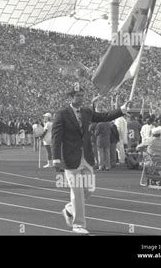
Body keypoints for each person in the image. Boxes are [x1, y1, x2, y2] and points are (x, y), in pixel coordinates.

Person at [52, 85, 129, 234]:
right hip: (71, 158)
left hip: (86, 157)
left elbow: (104, 117)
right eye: (78, 96)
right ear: (71, 97)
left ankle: (69, 209)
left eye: (82, 95)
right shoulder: (61, 114)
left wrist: (121, 110)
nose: (81, 98)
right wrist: (55, 158)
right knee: (78, 192)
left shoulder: (87, 112)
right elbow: (56, 138)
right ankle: (78, 224)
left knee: (89, 189)